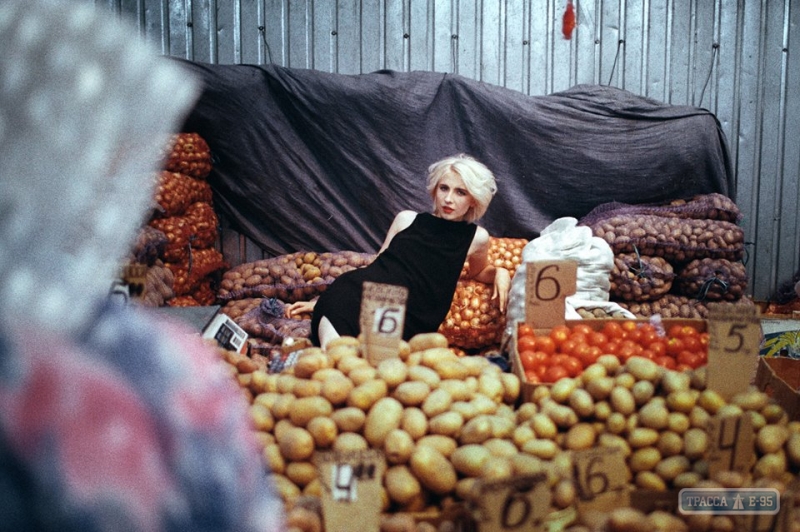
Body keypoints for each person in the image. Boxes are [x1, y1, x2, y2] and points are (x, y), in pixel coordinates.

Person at [285, 153, 511, 349]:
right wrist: (321, 301)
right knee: (335, 351)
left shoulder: (476, 237)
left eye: (460, 192)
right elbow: (377, 267)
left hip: (411, 314)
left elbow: (478, 272)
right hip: (358, 294)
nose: (449, 198)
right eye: (444, 188)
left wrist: (499, 272)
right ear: (435, 190)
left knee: (366, 358)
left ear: (474, 200)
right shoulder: (406, 219)